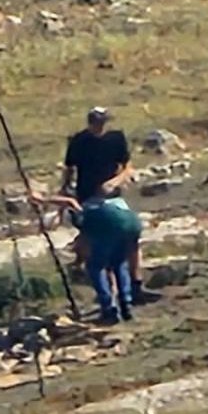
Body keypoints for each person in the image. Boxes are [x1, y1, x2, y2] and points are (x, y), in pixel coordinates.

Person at [62, 107, 144, 300]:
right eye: (97, 122)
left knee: (130, 236)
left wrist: (115, 181)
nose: (100, 126)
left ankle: (136, 285)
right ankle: (110, 292)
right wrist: (65, 190)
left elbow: (127, 167)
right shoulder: (79, 141)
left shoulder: (116, 139)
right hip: (88, 196)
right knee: (99, 242)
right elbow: (69, 168)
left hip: (113, 196)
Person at [32, 188, 142, 325]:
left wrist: (43, 199)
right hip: (132, 222)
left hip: (108, 222)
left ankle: (108, 309)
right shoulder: (106, 202)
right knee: (118, 263)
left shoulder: (85, 208)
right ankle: (126, 305)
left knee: (95, 267)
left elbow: (70, 202)